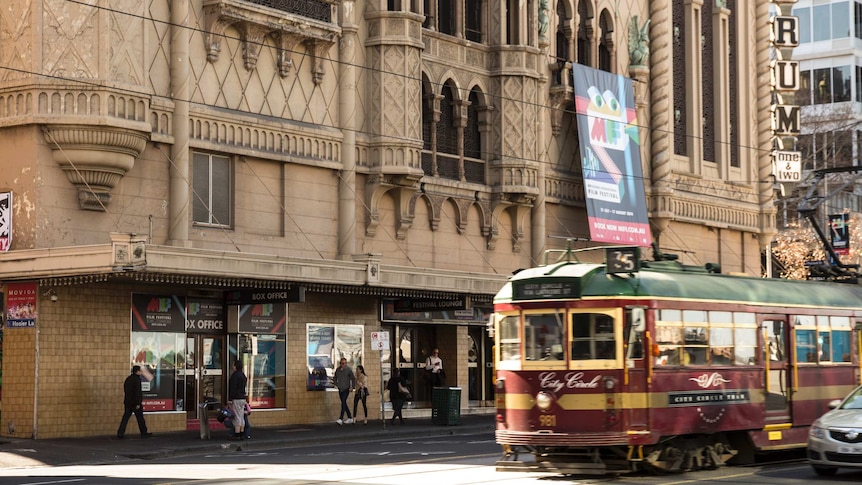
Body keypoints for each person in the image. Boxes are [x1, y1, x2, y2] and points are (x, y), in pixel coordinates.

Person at [116, 365, 152, 439]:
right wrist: (138, 403)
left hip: (128, 402)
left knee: (125, 418)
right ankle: (144, 432)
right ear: (137, 371)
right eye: (140, 371)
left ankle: (120, 433)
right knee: (140, 418)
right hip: (135, 403)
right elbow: (137, 392)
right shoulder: (137, 380)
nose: (141, 372)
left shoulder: (128, 379)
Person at [228, 359, 248, 439]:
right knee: (241, 416)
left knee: (237, 417)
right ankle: (242, 433)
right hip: (242, 398)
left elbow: (233, 388)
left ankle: (237, 434)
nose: (232, 366)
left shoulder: (235, 376)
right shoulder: (243, 375)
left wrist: (230, 398)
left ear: (235, 366)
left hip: (236, 398)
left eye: (233, 365)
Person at [333, 357, 355, 425]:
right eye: (343, 363)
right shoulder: (338, 370)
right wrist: (336, 384)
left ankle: (341, 418)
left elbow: (352, 378)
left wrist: (352, 387)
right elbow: (335, 377)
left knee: (343, 402)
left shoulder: (348, 370)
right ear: (340, 364)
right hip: (340, 388)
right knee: (344, 402)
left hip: (346, 388)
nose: (344, 365)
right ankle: (350, 417)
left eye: (345, 363)